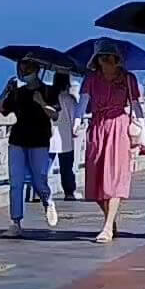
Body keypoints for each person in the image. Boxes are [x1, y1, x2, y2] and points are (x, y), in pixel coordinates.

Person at [79, 42, 143, 243]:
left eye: (111, 57)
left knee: (114, 178)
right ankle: (110, 217)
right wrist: (76, 122)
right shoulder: (90, 79)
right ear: (96, 60)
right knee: (96, 180)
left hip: (119, 127)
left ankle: (107, 227)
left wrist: (143, 133)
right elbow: (82, 104)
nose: (107, 61)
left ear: (118, 60)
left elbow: (136, 106)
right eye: (103, 57)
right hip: (98, 127)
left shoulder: (128, 79)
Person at [0, 60, 60, 236]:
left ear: (37, 69)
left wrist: (41, 102)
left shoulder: (48, 91)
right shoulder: (18, 93)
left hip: (39, 141)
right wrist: (6, 91)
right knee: (16, 182)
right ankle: (15, 221)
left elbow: (55, 115)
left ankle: (47, 201)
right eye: (21, 68)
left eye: (28, 68)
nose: (24, 72)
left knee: (38, 179)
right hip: (18, 140)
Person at [50, 72, 80, 200]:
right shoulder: (70, 99)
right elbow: (75, 118)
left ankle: (39, 191)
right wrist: (75, 130)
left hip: (48, 136)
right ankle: (69, 192)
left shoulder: (48, 97)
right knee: (66, 168)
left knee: (44, 167)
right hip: (65, 138)